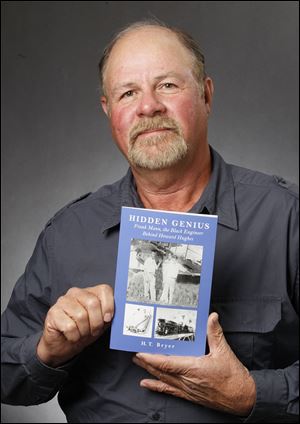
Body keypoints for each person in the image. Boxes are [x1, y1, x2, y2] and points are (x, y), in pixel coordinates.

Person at [1, 19, 298, 423]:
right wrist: (47, 350)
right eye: (128, 93)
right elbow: (6, 376)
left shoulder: (286, 217)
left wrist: (251, 394)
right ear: (109, 111)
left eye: (168, 85)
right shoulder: (67, 234)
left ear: (206, 95)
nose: (148, 106)